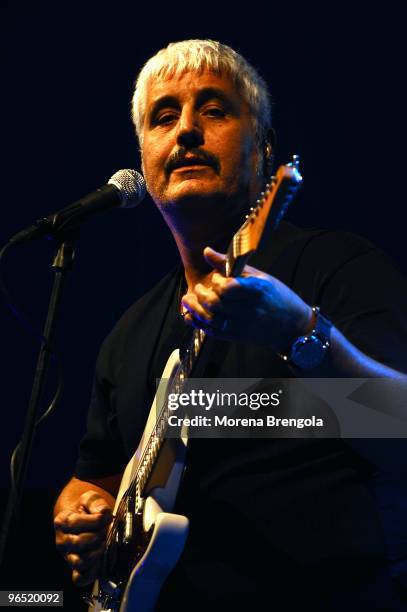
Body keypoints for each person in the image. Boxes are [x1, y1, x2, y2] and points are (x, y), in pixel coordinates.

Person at [53, 40, 407, 610]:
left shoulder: (336, 269)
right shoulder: (127, 336)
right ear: (143, 157)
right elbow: (91, 475)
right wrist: (79, 512)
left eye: (214, 110)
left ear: (263, 150)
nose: (186, 130)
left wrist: (300, 334)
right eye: (163, 117)